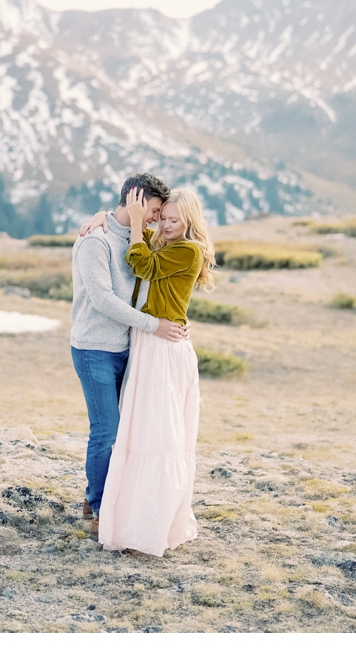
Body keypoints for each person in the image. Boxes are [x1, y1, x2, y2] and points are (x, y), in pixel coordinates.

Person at [97, 187, 215, 556]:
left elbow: (141, 264)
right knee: (141, 435)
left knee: (158, 439)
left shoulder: (187, 249)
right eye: (161, 218)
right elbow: (131, 238)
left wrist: (136, 224)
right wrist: (100, 218)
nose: (164, 226)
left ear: (189, 222)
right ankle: (132, 521)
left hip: (164, 349)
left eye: (173, 220)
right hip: (149, 343)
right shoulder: (164, 242)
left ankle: (152, 527)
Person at [70, 173, 189, 532]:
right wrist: (154, 326)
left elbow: (160, 281)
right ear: (135, 200)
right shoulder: (96, 241)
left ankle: (104, 496)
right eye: (153, 209)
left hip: (129, 348)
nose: (156, 217)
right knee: (106, 429)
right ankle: (99, 508)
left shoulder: (142, 238)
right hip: (95, 348)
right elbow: (103, 299)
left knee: (126, 432)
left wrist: (173, 319)